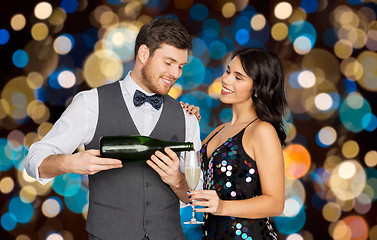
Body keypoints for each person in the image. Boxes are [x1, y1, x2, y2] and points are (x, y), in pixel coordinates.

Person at [25, 18, 201, 240]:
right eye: (169, 62)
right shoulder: (91, 103)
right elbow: (34, 161)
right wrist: (71, 163)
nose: (176, 73)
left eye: (181, 66)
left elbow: (196, 196)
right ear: (144, 54)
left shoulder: (187, 117)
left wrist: (177, 180)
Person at [181, 48, 287, 239]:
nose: (226, 79)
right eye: (228, 71)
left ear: (257, 89)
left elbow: (276, 203)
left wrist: (222, 206)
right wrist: (188, 124)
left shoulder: (262, 130)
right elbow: (191, 180)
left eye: (238, 77)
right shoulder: (218, 131)